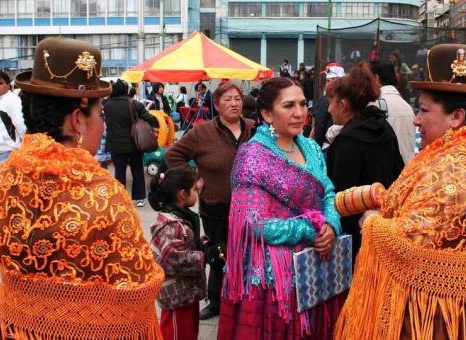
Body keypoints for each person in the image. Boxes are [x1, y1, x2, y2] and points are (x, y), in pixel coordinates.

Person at [0, 37, 165, 340]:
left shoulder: (0, 177)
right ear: (77, 121)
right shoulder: (104, 197)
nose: (103, 124)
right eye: (99, 115)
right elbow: (137, 293)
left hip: (7, 326)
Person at [334, 44, 466, 340]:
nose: (416, 119)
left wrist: (371, 222)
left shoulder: (459, 165)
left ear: (456, 117)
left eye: (423, 110)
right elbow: (422, 204)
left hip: (445, 317)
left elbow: (411, 240)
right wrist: (369, 197)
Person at [218, 77, 344, 339]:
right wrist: (312, 227)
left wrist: (331, 224)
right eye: (288, 106)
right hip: (273, 282)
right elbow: (253, 225)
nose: (300, 113)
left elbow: (328, 191)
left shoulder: (310, 147)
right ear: (266, 113)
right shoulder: (252, 156)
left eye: (302, 104)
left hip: (316, 269)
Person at [165, 82, 255, 320]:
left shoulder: (254, 129)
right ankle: (216, 302)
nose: (234, 103)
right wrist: (194, 179)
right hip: (216, 205)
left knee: (249, 253)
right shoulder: (202, 132)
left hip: (252, 206)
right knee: (218, 254)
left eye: (237, 98)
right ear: (216, 104)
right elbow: (173, 154)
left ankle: (246, 299)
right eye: (228, 99)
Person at [325, 62, 404, 260]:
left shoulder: (348, 140)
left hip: (355, 239)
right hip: (386, 229)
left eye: (331, 102)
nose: (328, 110)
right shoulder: (384, 128)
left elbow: (338, 195)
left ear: (342, 105)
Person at [148, 167, 205, 340]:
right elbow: (174, 258)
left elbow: (181, 246)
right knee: (175, 334)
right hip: (176, 297)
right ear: (183, 194)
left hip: (186, 293)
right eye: (195, 189)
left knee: (188, 333)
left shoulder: (179, 219)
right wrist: (205, 256)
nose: (197, 193)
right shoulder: (172, 225)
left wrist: (201, 244)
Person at [104, 79, 158, 207]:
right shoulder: (134, 104)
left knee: (119, 172)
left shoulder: (106, 105)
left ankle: (120, 198)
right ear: (126, 90)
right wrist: (156, 124)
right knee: (137, 170)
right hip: (134, 144)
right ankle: (139, 198)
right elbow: (149, 118)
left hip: (115, 145)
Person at [371, 60, 417, 163]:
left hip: (387, 173)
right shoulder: (407, 107)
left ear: (376, 78)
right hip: (408, 171)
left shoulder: (374, 105)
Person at [0, 70, 26, 166]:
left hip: (8, 152)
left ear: (8, 85)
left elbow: (21, 126)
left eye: (0, 83)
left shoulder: (11, 100)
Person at [312, 62, 345, 147]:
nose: (326, 84)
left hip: (328, 144)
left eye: (328, 81)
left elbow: (320, 124)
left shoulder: (326, 100)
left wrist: (317, 146)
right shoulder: (351, 96)